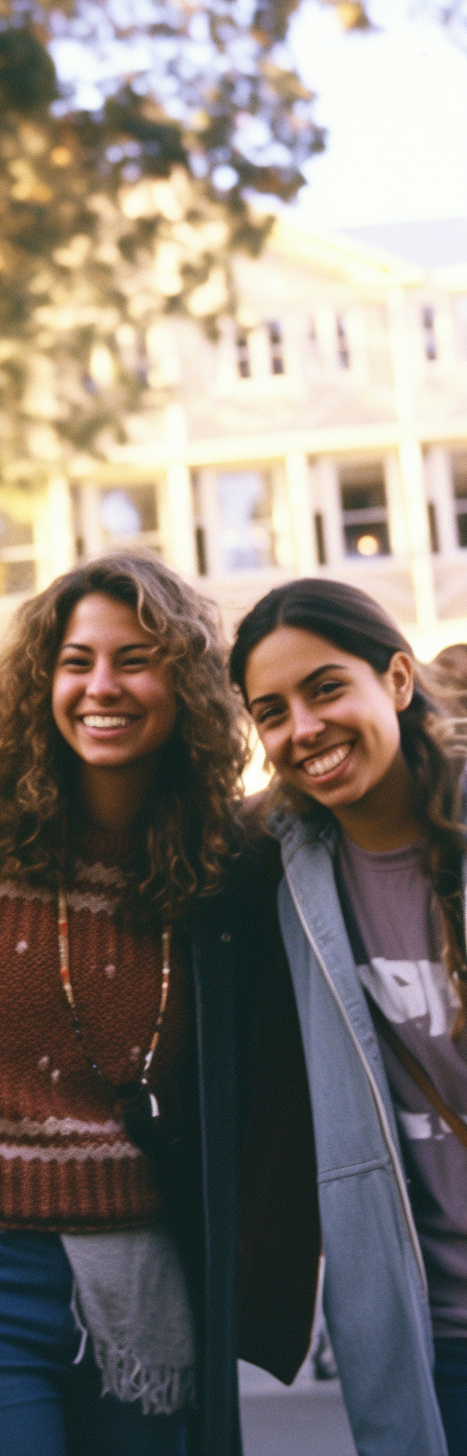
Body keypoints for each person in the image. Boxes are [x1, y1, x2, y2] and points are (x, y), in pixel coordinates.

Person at [0, 552, 319, 1456]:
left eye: (134, 659)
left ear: (187, 684)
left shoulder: (231, 864)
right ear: (42, 679)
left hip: (151, 1279)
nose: (100, 686)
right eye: (76, 662)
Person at [230, 577, 467, 1456]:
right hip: (425, 1333)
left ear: (397, 681)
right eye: (273, 711)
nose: (305, 728)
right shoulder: (271, 875)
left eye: (327, 688)